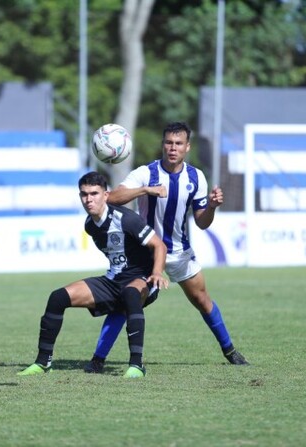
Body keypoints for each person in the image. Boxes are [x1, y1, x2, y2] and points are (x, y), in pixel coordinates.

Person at [84, 121, 249, 374]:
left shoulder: (196, 177)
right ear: (163, 145)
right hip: (146, 254)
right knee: (127, 301)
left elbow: (203, 222)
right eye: (169, 143)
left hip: (180, 252)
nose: (173, 148)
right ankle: (97, 360)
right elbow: (112, 198)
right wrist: (145, 190)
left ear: (187, 147)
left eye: (179, 144)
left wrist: (213, 207)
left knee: (202, 299)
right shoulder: (145, 173)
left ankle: (230, 351)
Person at [17, 171, 169, 378]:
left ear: (105, 195)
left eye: (94, 193)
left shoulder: (126, 219)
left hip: (142, 280)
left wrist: (157, 273)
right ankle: (43, 362)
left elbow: (159, 246)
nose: (89, 199)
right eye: (84, 194)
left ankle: (137, 365)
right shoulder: (90, 225)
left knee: (130, 295)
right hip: (113, 280)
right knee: (57, 297)